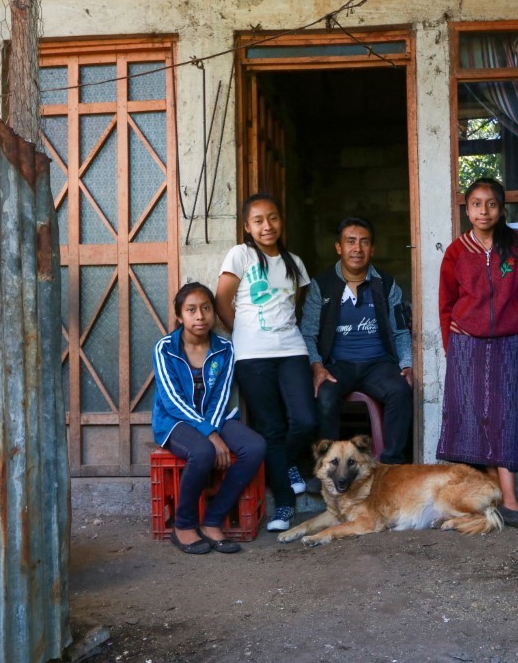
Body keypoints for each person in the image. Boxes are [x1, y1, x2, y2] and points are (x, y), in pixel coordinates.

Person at [437, 177, 518, 531]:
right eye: (476, 203)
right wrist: (451, 344)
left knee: (503, 417)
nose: (483, 210)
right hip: (465, 346)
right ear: (467, 209)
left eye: (491, 204)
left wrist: (515, 305)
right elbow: (446, 303)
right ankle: (472, 499)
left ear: (502, 209)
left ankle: (510, 501)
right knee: (468, 417)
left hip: (506, 343)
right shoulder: (457, 252)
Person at [215, 193, 317, 532]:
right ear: (247, 226)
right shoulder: (240, 255)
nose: (266, 225)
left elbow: (293, 307)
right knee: (270, 428)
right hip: (252, 355)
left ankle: (287, 461)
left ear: (280, 221)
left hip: (291, 349)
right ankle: (285, 505)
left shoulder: (294, 263)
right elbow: (222, 301)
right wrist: (244, 332)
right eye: (258, 220)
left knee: (304, 418)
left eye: (272, 218)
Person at [151, 282, 266, 554]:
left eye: (206, 308)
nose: (200, 316)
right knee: (202, 452)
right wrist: (210, 434)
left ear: (214, 313)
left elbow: (221, 396)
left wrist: (212, 428)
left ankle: (213, 520)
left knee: (255, 446)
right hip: (174, 422)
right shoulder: (165, 348)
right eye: (191, 310)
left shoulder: (224, 349)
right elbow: (172, 400)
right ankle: (184, 525)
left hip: (212, 416)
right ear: (180, 316)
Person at [301, 216, 414, 464]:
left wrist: (407, 364)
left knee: (400, 391)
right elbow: (308, 333)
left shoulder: (385, 284)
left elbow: (401, 331)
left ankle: (391, 465)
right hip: (337, 364)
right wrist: (317, 366)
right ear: (339, 247)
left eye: (364, 242)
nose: (357, 248)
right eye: (350, 241)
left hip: (378, 364)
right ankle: (326, 467)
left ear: (372, 249)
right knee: (326, 396)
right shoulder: (323, 285)